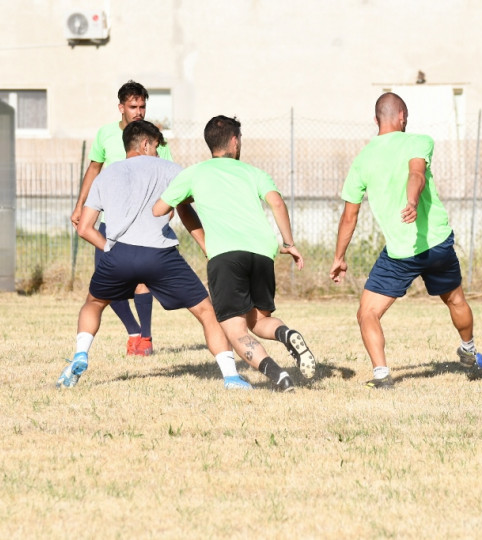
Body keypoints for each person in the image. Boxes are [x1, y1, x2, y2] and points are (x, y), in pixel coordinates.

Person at [57, 120, 251, 390]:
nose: (159, 153)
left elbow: (85, 229)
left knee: (93, 303)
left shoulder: (106, 175)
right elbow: (187, 207)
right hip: (161, 255)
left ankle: (80, 354)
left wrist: (110, 248)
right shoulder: (170, 170)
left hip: (119, 253)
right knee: (207, 312)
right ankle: (231, 376)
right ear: (146, 144)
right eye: (157, 147)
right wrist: (209, 247)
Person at [153, 115, 316, 393]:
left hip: (225, 256)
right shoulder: (254, 173)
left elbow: (159, 209)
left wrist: (188, 197)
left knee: (235, 329)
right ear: (234, 141)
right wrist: (288, 243)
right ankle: (286, 334)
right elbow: (277, 203)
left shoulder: (194, 173)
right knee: (259, 320)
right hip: (262, 253)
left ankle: (279, 376)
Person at [329, 92, 481, 389]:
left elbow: (349, 215)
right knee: (455, 300)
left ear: (376, 120)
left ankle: (382, 375)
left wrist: (339, 257)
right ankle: (469, 350)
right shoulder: (419, 141)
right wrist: (412, 201)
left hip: (401, 253)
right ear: (402, 117)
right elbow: (417, 173)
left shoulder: (362, 160)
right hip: (437, 243)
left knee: (368, 313)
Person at [70, 80, 172, 357]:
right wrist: (80, 205)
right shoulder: (106, 134)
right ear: (121, 107)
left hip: (144, 223)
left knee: (141, 280)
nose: (139, 111)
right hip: (111, 221)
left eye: (142, 106)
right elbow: (94, 170)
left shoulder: (154, 138)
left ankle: (146, 338)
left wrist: (167, 212)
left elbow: (169, 179)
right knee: (106, 279)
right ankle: (133, 330)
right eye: (133, 106)